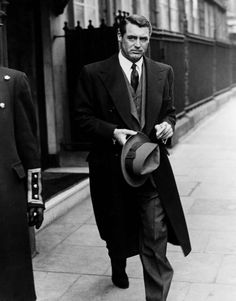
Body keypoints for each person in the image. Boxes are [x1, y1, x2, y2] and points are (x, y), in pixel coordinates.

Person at [75, 14, 191, 301]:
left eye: (143, 39)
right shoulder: (93, 73)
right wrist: (112, 132)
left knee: (155, 235)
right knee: (117, 231)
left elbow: (169, 111)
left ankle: (156, 297)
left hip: (151, 168)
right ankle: (118, 262)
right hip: (112, 168)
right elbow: (81, 118)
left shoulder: (163, 71)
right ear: (119, 37)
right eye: (132, 38)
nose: (138, 44)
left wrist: (169, 125)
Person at [0, 66, 44, 300]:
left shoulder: (12, 81)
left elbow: (28, 145)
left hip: (6, 194)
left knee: (13, 278)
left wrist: (34, 197)